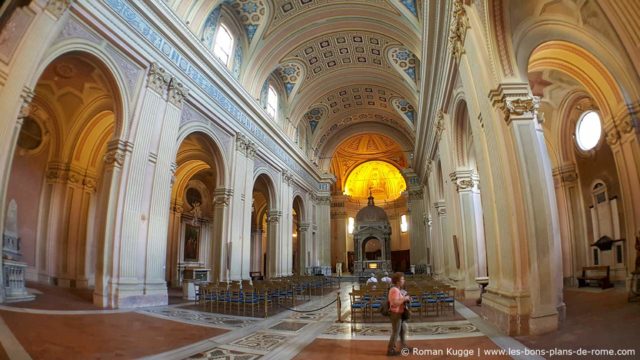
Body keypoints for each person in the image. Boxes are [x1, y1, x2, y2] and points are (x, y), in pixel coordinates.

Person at [387, 272, 412, 356]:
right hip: (395, 314)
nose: (404, 280)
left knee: (402, 330)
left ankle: (404, 347)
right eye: (402, 279)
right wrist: (405, 298)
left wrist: (407, 298)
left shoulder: (398, 290)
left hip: (399, 313)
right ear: (397, 281)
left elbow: (400, 300)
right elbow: (395, 303)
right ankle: (390, 350)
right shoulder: (394, 290)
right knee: (396, 332)